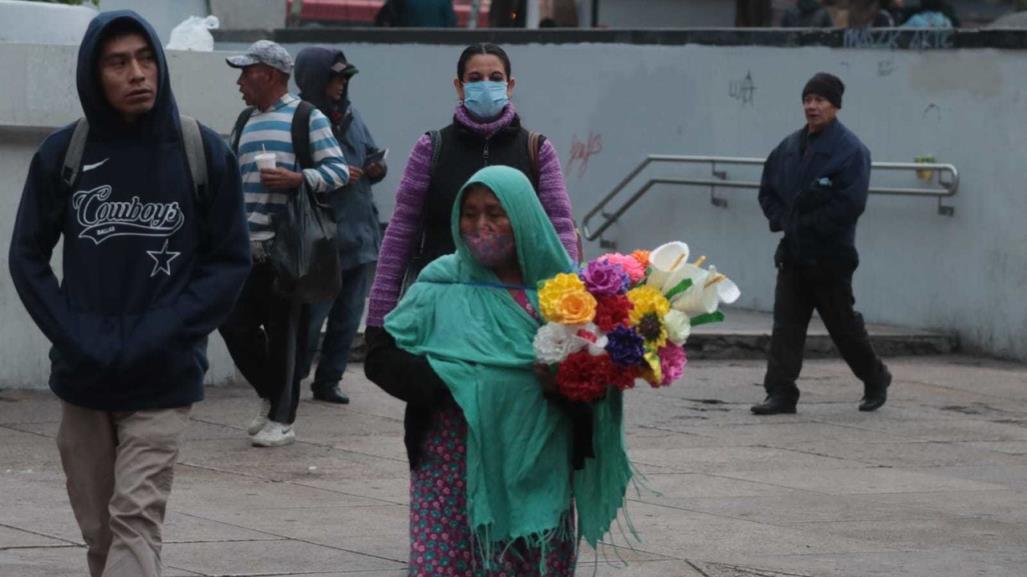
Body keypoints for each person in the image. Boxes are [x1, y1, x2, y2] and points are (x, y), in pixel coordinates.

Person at [8, 11, 250, 577]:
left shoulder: (203, 152)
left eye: (145, 59)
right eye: (118, 63)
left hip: (162, 378)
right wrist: (74, 333)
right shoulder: (63, 156)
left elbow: (230, 262)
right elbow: (26, 257)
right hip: (83, 378)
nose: (137, 73)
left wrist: (165, 329)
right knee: (100, 534)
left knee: (135, 518)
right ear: (95, 74)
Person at [364, 165, 630, 576]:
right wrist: (451, 381)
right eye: (469, 213)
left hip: (537, 461)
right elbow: (381, 355)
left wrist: (561, 383)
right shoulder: (443, 282)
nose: (480, 225)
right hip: (449, 460)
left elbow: (597, 382)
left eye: (495, 213)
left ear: (523, 216)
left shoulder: (564, 294)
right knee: (444, 564)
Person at [366, 42, 579, 333]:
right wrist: (379, 313)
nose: (486, 85)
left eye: (495, 78)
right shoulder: (431, 148)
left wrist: (570, 301)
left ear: (510, 85)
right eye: (475, 79)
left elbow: (560, 228)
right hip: (442, 305)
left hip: (517, 310)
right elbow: (402, 230)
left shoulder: (536, 150)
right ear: (459, 86)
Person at [220, 40, 349, 446]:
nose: (240, 81)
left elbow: (338, 171)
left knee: (284, 333)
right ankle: (270, 392)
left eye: (247, 72)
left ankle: (282, 418)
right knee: (232, 323)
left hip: (288, 246)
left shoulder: (306, 118)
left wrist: (299, 179)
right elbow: (229, 174)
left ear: (272, 75)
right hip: (245, 246)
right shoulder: (244, 121)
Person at [752, 72, 892, 415]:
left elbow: (850, 204)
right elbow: (767, 191)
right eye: (808, 99)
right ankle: (781, 393)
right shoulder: (787, 149)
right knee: (786, 325)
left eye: (820, 100)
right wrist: (783, 221)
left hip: (831, 256)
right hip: (793, 254)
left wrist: (807, 226)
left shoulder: (850, 151)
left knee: (842, 325)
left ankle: (875, 378)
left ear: (835, 106)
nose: (812, 107)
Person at [294, 46, 386, 405]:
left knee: (348, 319)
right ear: (315, 78)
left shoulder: (352, 115)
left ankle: (328, 380)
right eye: (334, 77)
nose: (341, 84)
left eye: (345, 78)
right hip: (322, 238)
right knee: (311, 319)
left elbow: (371, 155)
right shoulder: (299, 118)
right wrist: (333, 176)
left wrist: (377, 168)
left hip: (359, 234)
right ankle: (290, 378)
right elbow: (291, 174)